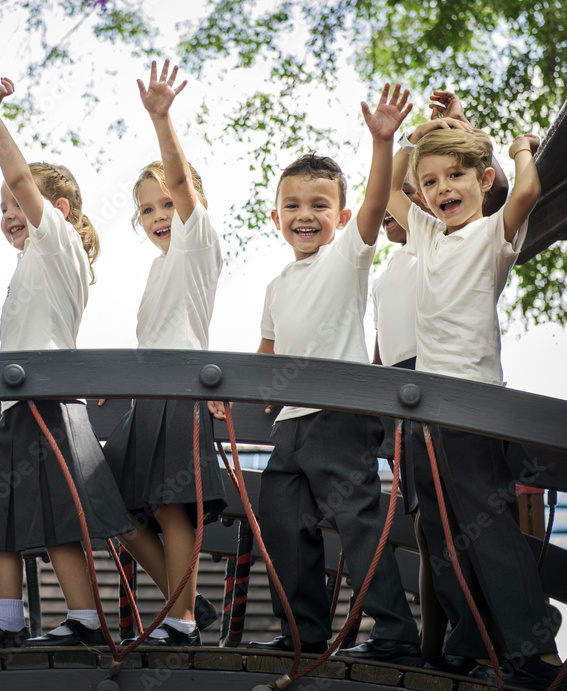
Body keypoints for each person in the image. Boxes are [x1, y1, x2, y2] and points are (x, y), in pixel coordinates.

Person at [387, 109, 567, 690]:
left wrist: (518, 148)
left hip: (471, 401)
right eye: (431, 181)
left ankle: (536, 649)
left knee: (487, 528)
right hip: (426, 405)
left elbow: (532, 188)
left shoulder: (493, 235)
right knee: (441, 529)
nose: (442, 189)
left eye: (455, 177)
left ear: (483, 180)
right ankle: (472, 639)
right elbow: (393, 188)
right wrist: (409, 138)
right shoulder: (426, 234)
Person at [0, 76, 132, 650]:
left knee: (57, 517)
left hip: (48, 402)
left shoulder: (57, 244)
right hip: (17, 404)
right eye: (1, 206)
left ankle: (83, 617)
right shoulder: (32, 261)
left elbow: (21, 175)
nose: (9, 212)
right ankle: (8, 618)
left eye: (16, 203)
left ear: (56, 210)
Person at [248, 84, 423, 664]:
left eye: (319, 205)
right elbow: (266, 354)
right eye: (293, 206)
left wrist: (383, 140)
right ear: (277, 217)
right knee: (281, 523)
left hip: (340, 416)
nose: (306, 216)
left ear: (341, 217)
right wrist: (234, 395)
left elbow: (377, 202)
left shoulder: (346, 256)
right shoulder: (276, 285)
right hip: (290, 423)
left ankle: (396, 633)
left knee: (358, 522)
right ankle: (305, 631)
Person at [372, 89, 510, 673]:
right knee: (431, 522)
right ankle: (454, 640)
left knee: (476, 522)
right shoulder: (403, 256)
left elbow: (496, 186)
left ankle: (501, 645)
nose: (405, 206)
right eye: (421, 187)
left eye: (443, 182)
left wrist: (452, 127)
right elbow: (382, 337)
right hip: (406, 389)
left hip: (456, 384)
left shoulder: (467, 241)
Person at [101, 59, 227, 647]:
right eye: (146, 209)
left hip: (180, 394)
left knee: (175, 509)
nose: (158, 214)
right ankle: (192, 602)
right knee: (109, 505)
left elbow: (178, 179)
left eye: (166, 203)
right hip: (146, 397)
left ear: (190, 200)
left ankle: (178, 622)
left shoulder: (199, 242)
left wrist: (161, 117)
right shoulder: (157, 271)